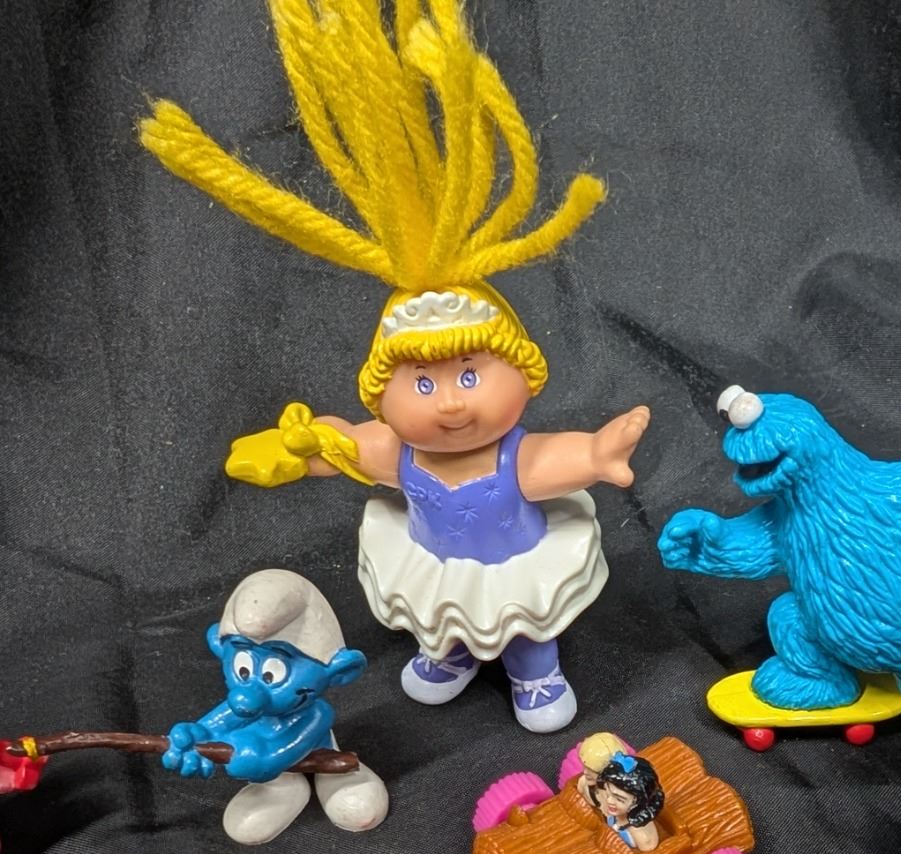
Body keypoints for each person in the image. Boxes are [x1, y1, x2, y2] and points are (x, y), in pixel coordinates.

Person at [140, 0, 649, 734]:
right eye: (422, 384)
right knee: (438, 621)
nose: (450, 404)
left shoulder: (510, 455)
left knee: (525, 624)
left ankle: (533, 673)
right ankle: (448, 657)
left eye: (470, 376)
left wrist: (597, 454)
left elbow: (548, 463)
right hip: (437, 568)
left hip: (511, 568)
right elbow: (344, 443)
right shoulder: (397, 450)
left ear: (523, 375)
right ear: (383, 394)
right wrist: (304, 448)